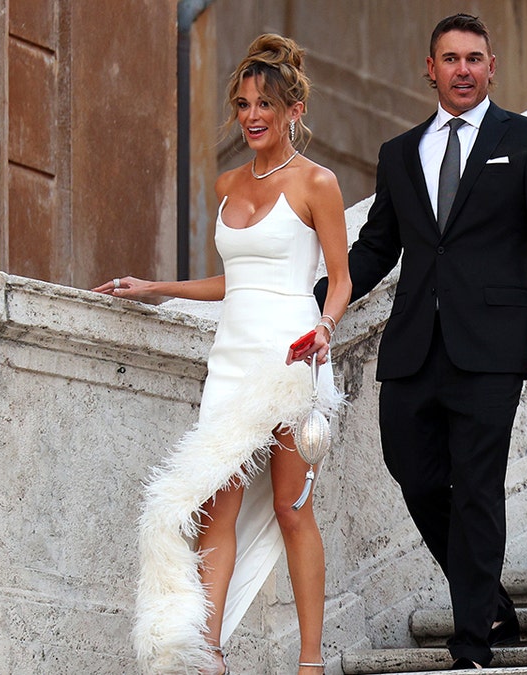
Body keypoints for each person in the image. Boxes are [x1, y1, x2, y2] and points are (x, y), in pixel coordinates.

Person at [314, 13, 527, 670]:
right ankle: (486, 598)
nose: (463, 69)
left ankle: (472, 644)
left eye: (474, 58)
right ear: (430, 69)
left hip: (493, 344)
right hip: (413, 346)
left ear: (492, 67)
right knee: (413, 470)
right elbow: (376, 248)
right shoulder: (401, 153)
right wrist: (308, 303)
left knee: (478, 483)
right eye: (450, 58)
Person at [95, 34, 352, 675]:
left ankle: (311, 661)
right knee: (217, 511)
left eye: (265, 103)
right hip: (231, 360)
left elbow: (340, 279)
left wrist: (325, 326)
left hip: (291, 356)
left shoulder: (318, 184)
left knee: (294, 509)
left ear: (294, 109)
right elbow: (233, 282)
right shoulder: (227, 182)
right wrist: (156, 288)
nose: (252, 115)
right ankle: (207, 656)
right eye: (242, 104)